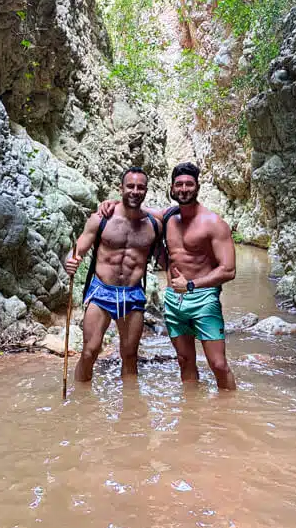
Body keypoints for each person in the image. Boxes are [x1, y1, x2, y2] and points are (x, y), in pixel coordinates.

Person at [99, 161, 237, 389]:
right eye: (179, 184)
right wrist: (112, 203)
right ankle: (191, 416)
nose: (184, 189)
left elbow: (229, 270)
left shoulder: (214, 223)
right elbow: (133, 208)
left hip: (204, 300)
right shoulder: (168, 217)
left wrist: (191, 284)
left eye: (189, 184)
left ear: (197, 187)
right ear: (172, 189)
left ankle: (231, 412)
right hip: (174, 301)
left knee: (218, 364)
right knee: (184, 361)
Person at [64, 167, 159, 381]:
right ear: (121, 188)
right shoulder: (101, 219)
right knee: (90, 351)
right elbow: (77, 250)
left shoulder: (153, 224)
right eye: (130, 186)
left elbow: (167, 254)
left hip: (133, 294)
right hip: (101, 292)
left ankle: (130, 409)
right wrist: (70, 262)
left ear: (146, 191)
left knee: (130, 355)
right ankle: (80, 399)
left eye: (140, 187)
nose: (135, 191)